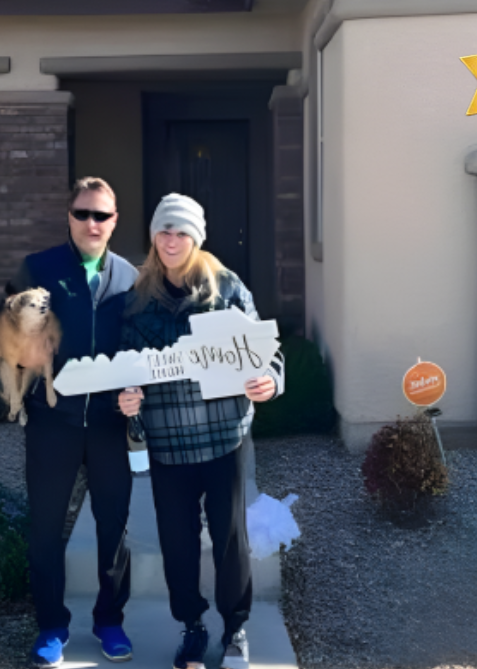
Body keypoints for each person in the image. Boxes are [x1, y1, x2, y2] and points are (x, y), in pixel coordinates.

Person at [117, 194, 281, 669]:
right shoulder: (136, 301)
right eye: (163, 232)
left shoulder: (227, 289)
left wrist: (270, 381)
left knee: (230, 539)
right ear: (153, 236)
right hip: (168, 444)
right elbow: (124, 368)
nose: (171, 241)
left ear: (196, 238)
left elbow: (268, 354)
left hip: (224, 437)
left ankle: (235, 629)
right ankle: (192, 627)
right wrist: (124, 399)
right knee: (177, 542)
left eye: (181, 232)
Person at [5, 177, 138, 667]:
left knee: (114, 526)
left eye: (101, 215)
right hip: (52, 422)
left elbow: (141, 347)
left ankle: (110, 620)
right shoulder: (38, 269)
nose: (91, 223)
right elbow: (6, 332)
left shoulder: (131, 278)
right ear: (69, 217)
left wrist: (137, 392)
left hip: (108, 424)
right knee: (45, 527)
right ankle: (51, 626)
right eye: (83, 213)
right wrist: (20, 354)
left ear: (114, 220)